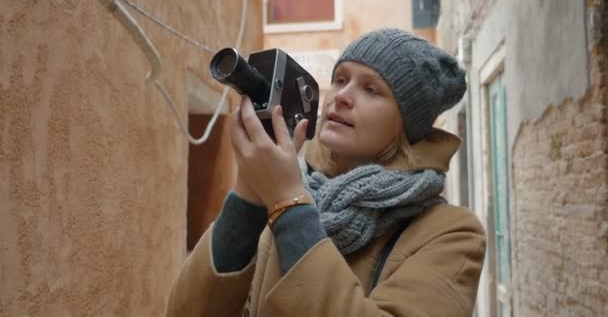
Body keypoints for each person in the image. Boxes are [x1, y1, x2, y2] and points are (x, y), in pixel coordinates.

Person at [165, 28, 486, 317]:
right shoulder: (284, 191)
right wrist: (248, 196)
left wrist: (288, 203)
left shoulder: (452, 233)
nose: (342, 96)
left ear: (408, 124)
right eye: (341, 79)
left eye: (372, 89)